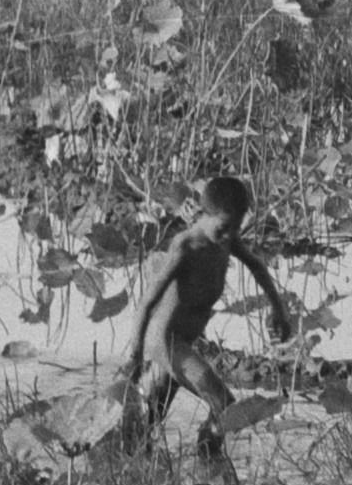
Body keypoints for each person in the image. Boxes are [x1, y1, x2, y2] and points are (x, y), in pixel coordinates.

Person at [121, 174, 297, 457]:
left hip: (183, 344)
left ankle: (132, 462)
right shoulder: (186, 247)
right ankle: (207, 457)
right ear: (205, 214)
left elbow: (258, 267)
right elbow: (147, 302)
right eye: (224, 227)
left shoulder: (226, 241)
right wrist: (135, 356)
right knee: (223, 402)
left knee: (147, 424)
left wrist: (279, 311)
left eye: (236, 228)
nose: (229, 236)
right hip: (166, 341)